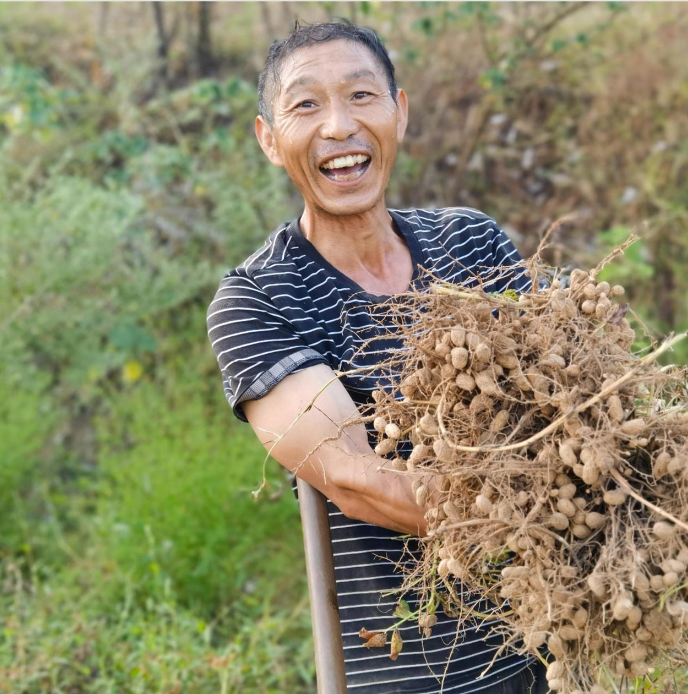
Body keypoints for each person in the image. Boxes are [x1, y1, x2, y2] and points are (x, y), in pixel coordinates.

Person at [207, 20, 548, 694]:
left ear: (400, 111)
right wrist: (541, 513)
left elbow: (563, 400)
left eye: (361, 95)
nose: (338, 126)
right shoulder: (258, 299)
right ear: (269, 140)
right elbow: (353, 474)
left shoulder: (471, 245)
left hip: (551, 649)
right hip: (409, 672)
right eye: (306, 105)